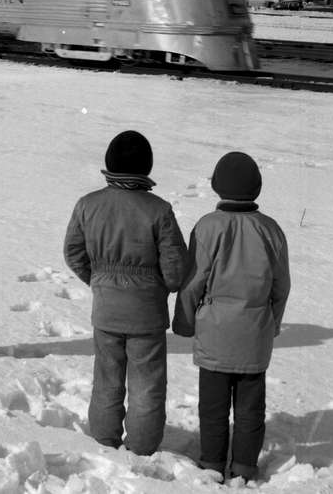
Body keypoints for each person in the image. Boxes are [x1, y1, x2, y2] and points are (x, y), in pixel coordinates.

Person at [63, 130, 190, 455]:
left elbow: (73, 252)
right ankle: (142, 447)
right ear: (146, 168)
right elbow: (176, 268)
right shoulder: (159, 211)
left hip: (106, 311)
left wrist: (99, 280)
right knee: (147, 384)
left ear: (109, 163)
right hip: (146, 314)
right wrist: (162, 286)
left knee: (107, 378)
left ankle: (104, 440)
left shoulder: (88, 205)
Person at [172, 151, 290, 484]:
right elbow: (281, 285)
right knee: (251, 408)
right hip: (254, 334)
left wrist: (184, 321)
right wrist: (272, 323)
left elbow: (193, 281)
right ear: (257, 188)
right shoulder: (271, 230)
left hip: (214, 333)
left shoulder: (208, 227)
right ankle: (244, 468)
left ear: (217, 186)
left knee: (213, 407)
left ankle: (211, 463)